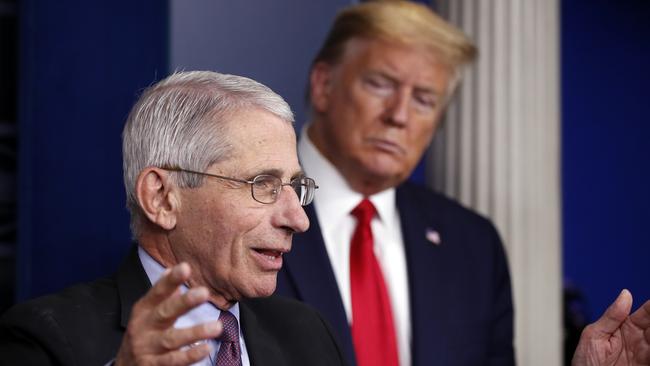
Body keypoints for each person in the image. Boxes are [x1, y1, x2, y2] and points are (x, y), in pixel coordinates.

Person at [274, 1, 650, 366]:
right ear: (323, 85)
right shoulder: (252, 206)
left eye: (423, 99)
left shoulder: (473, 245)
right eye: (380, 84)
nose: (399, 115)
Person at [0, 71, 347, 366]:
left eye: (296, 186)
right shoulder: (46, 338)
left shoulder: (307, 333)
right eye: (263, 185)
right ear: (162, 198)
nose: (298, 220)